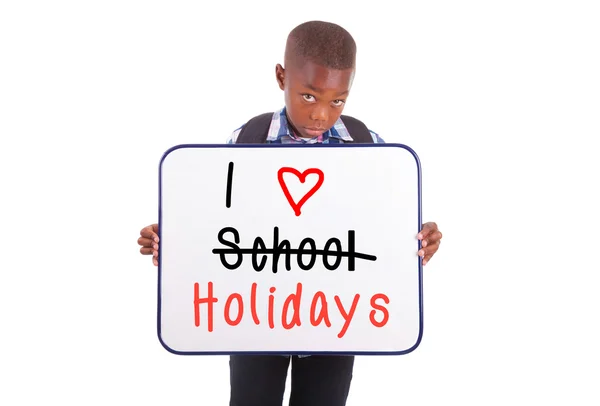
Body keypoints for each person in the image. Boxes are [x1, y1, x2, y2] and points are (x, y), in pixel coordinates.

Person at [138, 20, 443, 406]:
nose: (321, 116)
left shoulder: (368, 148)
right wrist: (176, 239)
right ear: (282, 77)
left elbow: (383, 226)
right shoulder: (246, 140)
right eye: (309, 96)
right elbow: (218, 219)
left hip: (336, 318)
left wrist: (417, 239)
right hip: (254, 316)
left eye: (337, 101)